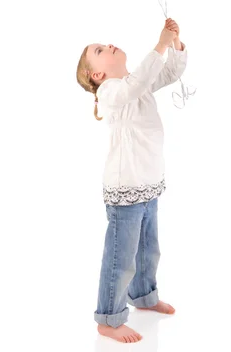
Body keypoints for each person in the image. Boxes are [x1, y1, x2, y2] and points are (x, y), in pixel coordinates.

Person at [76, 18, 188, 343]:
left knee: (148, 249)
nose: (108, 44)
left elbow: (166, 73)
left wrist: (176, 45)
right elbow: (137, 82)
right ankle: (109, 318)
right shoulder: (113, 91)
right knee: (120, 256)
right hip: (126, 189)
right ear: (97, 75)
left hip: (148, 183)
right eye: (99, 50)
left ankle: (144, 296)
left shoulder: (132, 84)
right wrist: (160, 44)